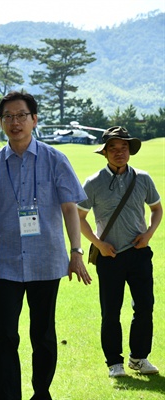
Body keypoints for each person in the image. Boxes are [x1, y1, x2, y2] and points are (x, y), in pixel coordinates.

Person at [0, 91, 92, 400]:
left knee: (43, 334)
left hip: (46, 259)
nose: (15, 122)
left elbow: (70, 208)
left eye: (22, 115)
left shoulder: (55, 159)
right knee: (5, 333)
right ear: (1, 123)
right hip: (5, 261)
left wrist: (76, 253)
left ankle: (41, 393)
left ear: (34, 119)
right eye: (8, 116)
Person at [77, 126, 162, 378]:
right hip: (109, 255)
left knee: (145, 307)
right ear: (104, 153)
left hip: (139, 253)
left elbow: (157, 210)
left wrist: (148, 235)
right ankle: (114, 363)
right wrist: (98, 243)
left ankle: (139, 358)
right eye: (113, 148)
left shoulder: (143, 178)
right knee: (111, 311)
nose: (119, 152)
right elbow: (79, 217)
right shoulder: (93, 183)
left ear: (130, 151)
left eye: (123, 147)